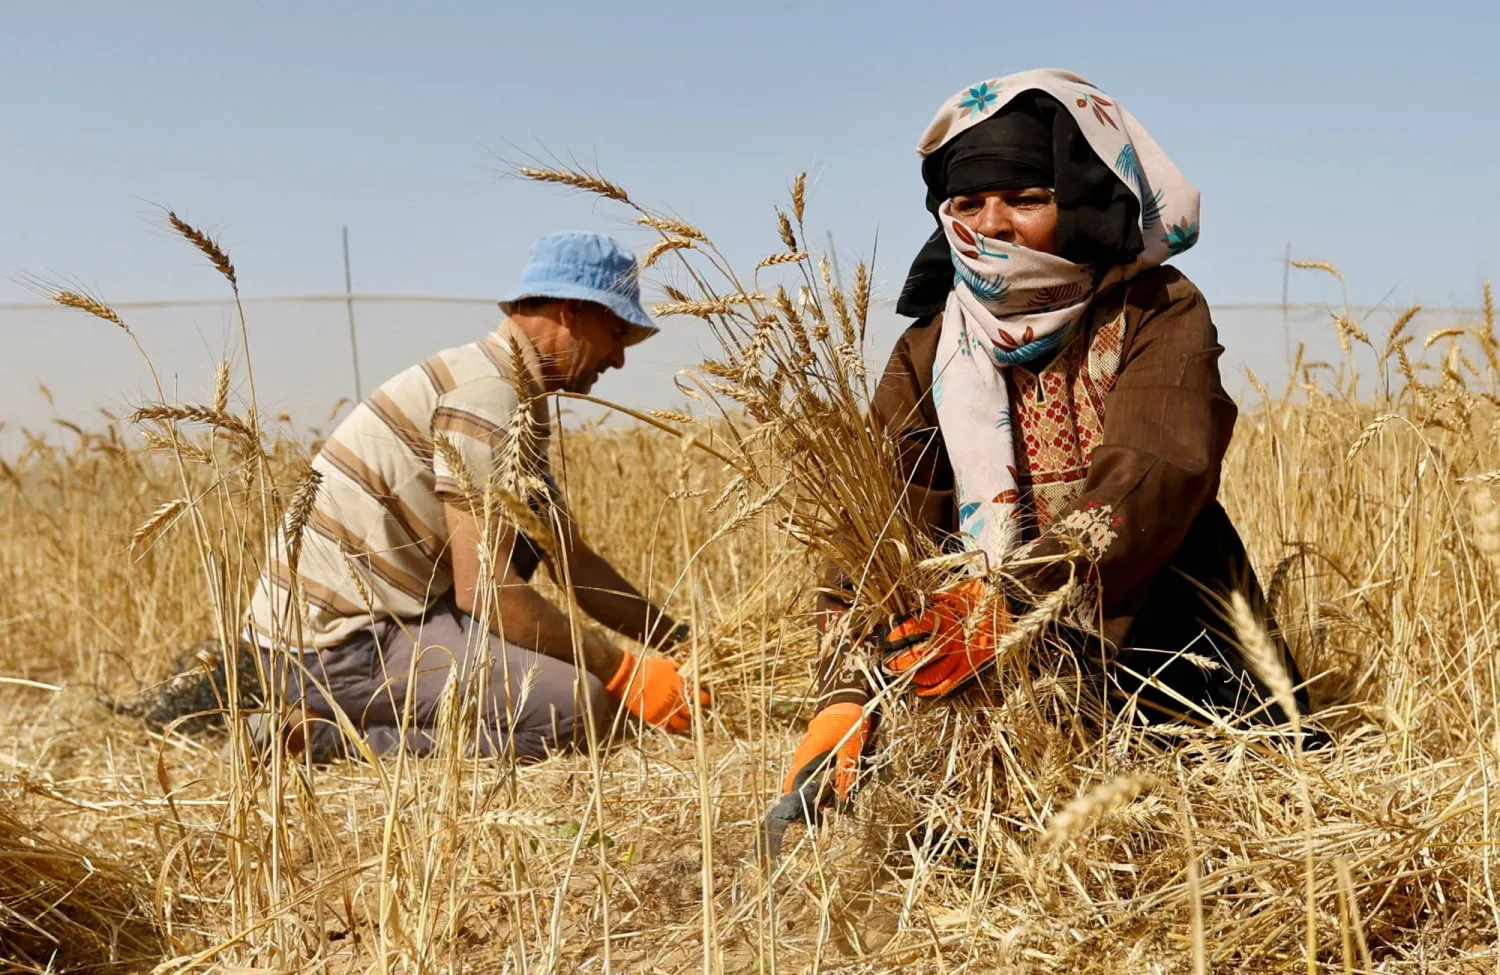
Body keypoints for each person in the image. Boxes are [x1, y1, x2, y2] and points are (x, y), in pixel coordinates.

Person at [773, 69, 1310, 833]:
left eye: (1026, 198)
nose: (990, 224)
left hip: (1170, 646)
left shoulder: (1157, 307)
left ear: (1083, 204)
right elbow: (879, 524)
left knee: (1210, 821)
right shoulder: (928, 347)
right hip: (979, 670)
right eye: (966, 204)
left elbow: (1158, 468)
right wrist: (843, 695)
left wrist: (1014, 599)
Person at [247, 231, 708, 762]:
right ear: (572, 311)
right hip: (333, 648)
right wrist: (620, 669)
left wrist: (682, 643)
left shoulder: (509, 391)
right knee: (572, 707)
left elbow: (574, 563)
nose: (619, 360)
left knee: (538, 580)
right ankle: (320, 736)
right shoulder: (487, 395)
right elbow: (486, 592)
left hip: (382, 624)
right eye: (617, 332)